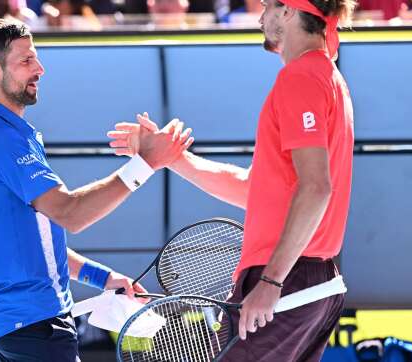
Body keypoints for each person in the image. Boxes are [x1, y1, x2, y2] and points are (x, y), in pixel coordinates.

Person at [109, 0, 356, 359]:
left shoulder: (301, 76)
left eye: (268, 6)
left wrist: (271, 281)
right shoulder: (326, 77)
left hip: (288, 281)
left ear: (288, 11)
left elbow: (317, 188)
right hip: (309, 282)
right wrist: (172, 158)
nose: (260, 16)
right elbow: (252, 190)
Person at [0, 19, 192, 362]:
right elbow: (71, 213)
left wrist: (104, 277)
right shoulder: (4, 140)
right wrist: (146, 163)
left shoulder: (7, 135)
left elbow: (35, 243)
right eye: (26, 61)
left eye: (36, 58)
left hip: (20, 328)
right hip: (35, 329)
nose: (40, 69)